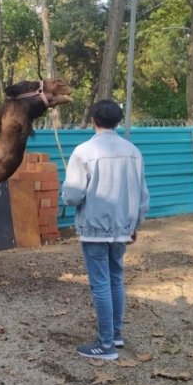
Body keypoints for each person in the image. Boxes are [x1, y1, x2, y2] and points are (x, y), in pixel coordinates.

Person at [62, 100, 150, 360]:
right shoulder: (133, 151)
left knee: (101, 283)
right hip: (123, 226)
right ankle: (116, 335)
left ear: (93, 121)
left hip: (94, 228)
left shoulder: (83, 151)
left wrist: (65, 194)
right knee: (115, 279)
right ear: (118, 121)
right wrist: (136, 224)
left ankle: (106, 345)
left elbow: (74, 195)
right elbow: (143, 194)